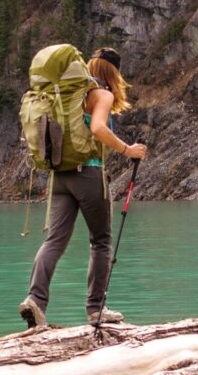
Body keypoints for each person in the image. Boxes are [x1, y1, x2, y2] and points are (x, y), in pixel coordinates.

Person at [18, 47, 147, 329]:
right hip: (88, 174)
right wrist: (128, 150)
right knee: (100, 241)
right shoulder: (101, 94)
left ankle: (35, 300)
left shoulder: (67, 95)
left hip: (60, 177)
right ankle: (95, 310)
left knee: (54, 240)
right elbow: (98, 128)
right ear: (114, 72)